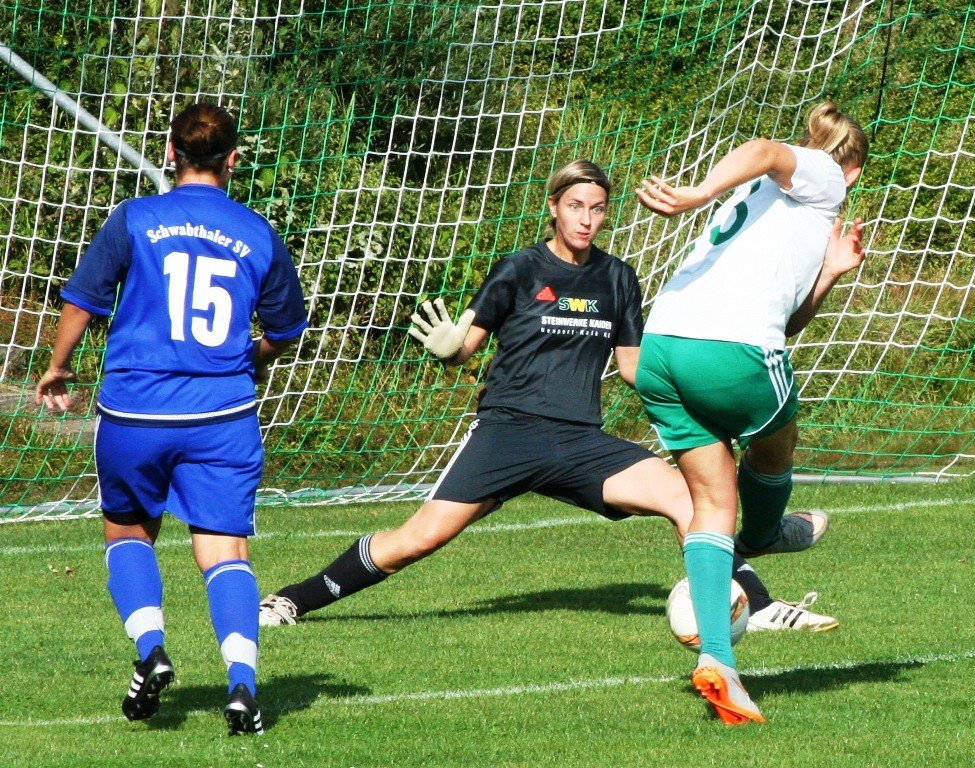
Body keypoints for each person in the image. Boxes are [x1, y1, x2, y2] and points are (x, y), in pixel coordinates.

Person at [258, 160, 792, 635]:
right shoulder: (519, 269)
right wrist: (447, 349)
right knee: (417, 540)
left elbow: (633, 368)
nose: (587, 218)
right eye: (576, 206)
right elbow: (464, 348)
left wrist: (702, 392)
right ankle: (292, 599)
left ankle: (758, 606)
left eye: (599, 209)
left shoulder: (617, 278)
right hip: (507, 433)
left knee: (688, 498)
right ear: (554, 207)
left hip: (580, 441)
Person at [35, 103, 309, 735]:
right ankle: (241, 685)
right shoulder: (258, 231)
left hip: (135, 411)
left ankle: (151, 649)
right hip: (224, 414)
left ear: (169, 153)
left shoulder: (135, 218)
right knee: (223, 550)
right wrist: (253, 357)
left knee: (128, 534)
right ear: (234, 158)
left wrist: (57, 366)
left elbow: (83, 300)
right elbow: (286, 329)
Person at [633, 101, 870, 725]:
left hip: (663, 350)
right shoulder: (820, 176)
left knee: (712, 505)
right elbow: (766, 148)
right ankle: (766, 534)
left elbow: (789, 320)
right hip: (728, 348)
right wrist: (696, 192)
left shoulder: (780, 214)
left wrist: (831, 273)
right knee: (780, 437)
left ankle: (720, 663)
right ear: (853, 171)